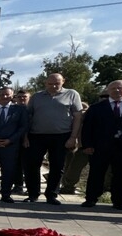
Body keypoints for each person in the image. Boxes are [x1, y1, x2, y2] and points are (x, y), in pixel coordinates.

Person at [24, 73, 82, 205]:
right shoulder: (37, 96)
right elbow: (28, 117)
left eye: (57, 83)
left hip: (61, 135)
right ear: (46, 83)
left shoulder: (72, 94)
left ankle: (51, 194)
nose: (53, 86)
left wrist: (73, 137)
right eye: (50, 84)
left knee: (57, 166)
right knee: (32, 166)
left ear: (63, 82)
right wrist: (25, 136)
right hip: (37, 135)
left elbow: (77, 117)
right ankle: (33, 194)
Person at [80, 80, 122, 210]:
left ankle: (119, 201)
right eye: (113, 88)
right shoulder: (97, 108)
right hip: (100, 147)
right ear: (108, 90)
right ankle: (91, 199)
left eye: (120, 88)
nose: (117, 90)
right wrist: (87, 145)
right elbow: (87, 128)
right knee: (96, 173)